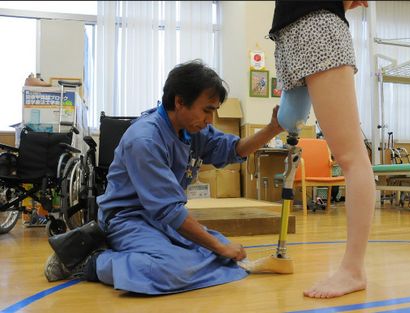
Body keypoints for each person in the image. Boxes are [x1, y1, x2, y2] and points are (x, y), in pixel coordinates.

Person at [44, 59, 284, 294]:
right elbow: (170, 210)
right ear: (180, 101)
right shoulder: (145, 140)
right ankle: (93, 262)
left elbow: (233, 149)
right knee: (170, 268)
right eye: (206, 111)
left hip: (161, 220)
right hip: (127, 220)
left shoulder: (193, 130)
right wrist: (220, 247)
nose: (210, 120)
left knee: (226, 257)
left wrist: (272, 129)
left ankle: (159, 257)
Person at [268, 1, 375, 298]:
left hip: (316, 27)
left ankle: (353, 270)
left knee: (351, 157)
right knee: (288, 120)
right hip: (290, 35)